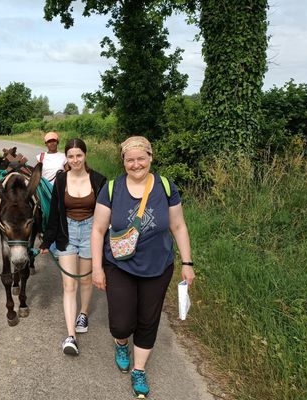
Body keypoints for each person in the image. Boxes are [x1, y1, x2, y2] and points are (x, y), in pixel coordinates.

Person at [90, 136, 195, 398]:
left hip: (159, 266)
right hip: (119, 266)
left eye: (141, 158)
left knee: (149, 320)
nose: (136, 164)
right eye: (130, 160)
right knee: (121, 323)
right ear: (123, 161)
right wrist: (97, 268)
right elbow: (98, 230)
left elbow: (178, 226)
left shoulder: (166, 187)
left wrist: (187, 262)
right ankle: (121, 342)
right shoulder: (112, 188)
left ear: (150, 157)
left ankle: (139, 369)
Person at [40, 138, 106, 356]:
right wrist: (47, 241)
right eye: (70, 156)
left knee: (86, 279)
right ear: (65, 158)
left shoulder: (98, 180)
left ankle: (84, 312)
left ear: (85, 155)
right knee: (69, 285)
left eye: (79, 155)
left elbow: (106, 215)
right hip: (66, 232)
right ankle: (70, 336)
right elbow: (54, 214)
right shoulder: (60, 180)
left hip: (91, 232)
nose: (75, 160)